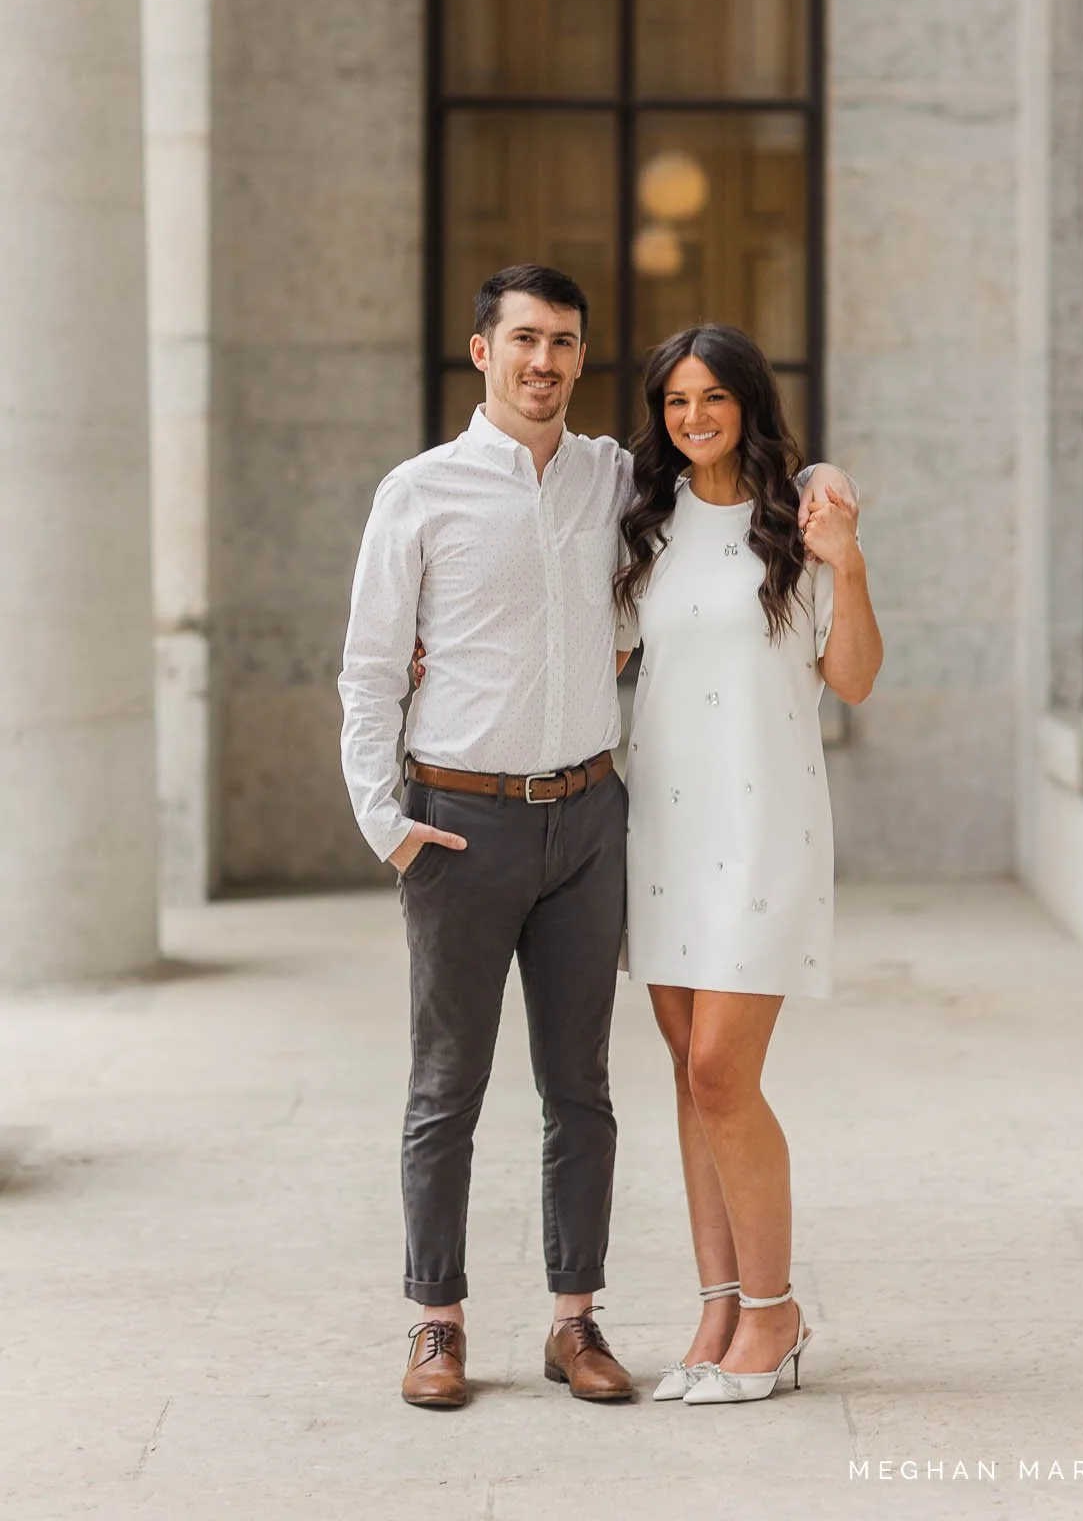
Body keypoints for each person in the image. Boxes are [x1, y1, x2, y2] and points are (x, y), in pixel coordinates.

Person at [337, 263, 855, 1410]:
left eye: (565, 342)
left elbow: (744, 459)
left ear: (579, 357)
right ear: (483, 350)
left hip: (589, 819)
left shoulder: (618, 480)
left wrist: (824, 477)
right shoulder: (417, 491)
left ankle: (577, 1318)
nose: (544, 360)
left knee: (583, 1086)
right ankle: (438, 1319)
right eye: (523, 338)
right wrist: (389, 820)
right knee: (446, 1083)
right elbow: (371, 667)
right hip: (458, 817)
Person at [613, 323, 882, 1406]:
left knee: (724, 1069)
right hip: (664, 825)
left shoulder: (802, 521)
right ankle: (717, 1302)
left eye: (712, 397)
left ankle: (774, 1311)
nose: (693, 417)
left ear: (747, 402)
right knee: (688, 1074)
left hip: (765, 826)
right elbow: (600, 654)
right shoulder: (641, 524)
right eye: (676, 401)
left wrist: (849, 562)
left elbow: (853, 677)